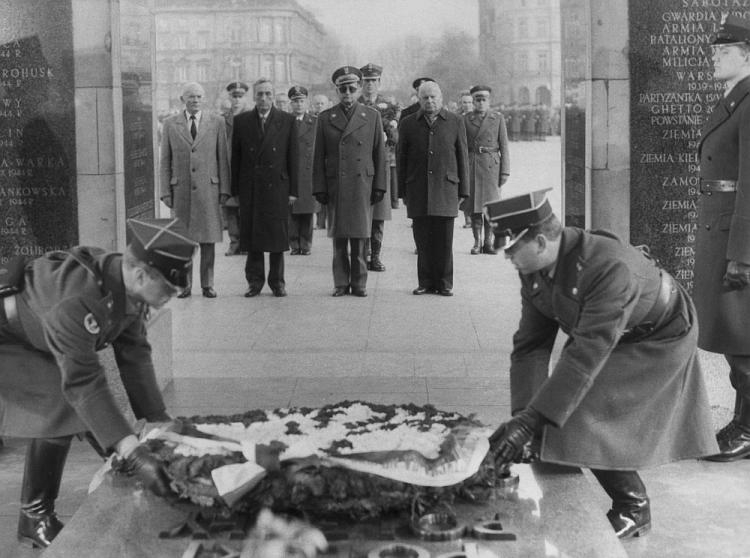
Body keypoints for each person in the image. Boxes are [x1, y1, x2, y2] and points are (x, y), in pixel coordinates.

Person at [487, 190, 718, 539]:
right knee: (552, 408)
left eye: (511, 249)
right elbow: (530, 347)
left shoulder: (608, 266)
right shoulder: (534, 267)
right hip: (614, 334)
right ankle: (551, 450)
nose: (508, 258)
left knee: (582, 409)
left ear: (538, 241)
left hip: (660, 336)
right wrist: (524, 419)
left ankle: (633, 507)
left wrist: (534, 419)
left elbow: (585, 354)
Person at [0, 218, 197, 548]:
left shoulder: (123, 286)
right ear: (140, 274)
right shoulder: (76, 301)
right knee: (60, 402)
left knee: (77, 411)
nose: (169, 297)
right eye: (167, 289)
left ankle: (126, 479)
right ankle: (35, 516)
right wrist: (131, 450)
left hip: (32, 336)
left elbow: (134, 354)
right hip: (7, 335)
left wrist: (158, 426)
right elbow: (82, 382)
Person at [694, 15, 750, 461]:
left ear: (747, 55)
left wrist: (742, 255)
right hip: (720, 225)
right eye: (715, 50)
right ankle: (743, 422)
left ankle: (747, 429)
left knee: (740, 333)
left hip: (735, 234)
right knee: (733, 333)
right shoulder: (735, 99)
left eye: (724, 51)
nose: (715, 56)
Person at [312, 66, 387, 297]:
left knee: (360, 237)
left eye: (351, 88)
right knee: (339, 238)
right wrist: (320, 188)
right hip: (337, 185)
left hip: (362, 185)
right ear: (336, 90)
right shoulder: (326, 118)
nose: (347, 92)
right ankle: (341, 283)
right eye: (342, 88)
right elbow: (318, 157)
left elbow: (379, 154)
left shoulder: (372, 116)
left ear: (359, 89)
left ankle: (360, 283)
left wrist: (380, 186)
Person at [397, 80, 469, 297]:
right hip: (418, 188)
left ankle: (444, 282)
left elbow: (462, 157)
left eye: (433, 97)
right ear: (419, 100)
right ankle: (425, 281)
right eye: (425, 97)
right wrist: (402, 191)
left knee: (444, 240)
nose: (429, 101)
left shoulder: (455, 121)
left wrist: (463, 191)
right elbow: (402, 159)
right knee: (422, 238)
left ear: (442, 98)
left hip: (447, 189)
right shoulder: (408, 123)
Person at [159, 82, 230, 298]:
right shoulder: (171, 124)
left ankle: (207, 284)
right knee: (183, 241)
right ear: (183, 99)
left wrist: (224, 189)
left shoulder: (216, 122)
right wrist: (165, 191)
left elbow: (222, 158)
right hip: (181, 191)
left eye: (199, 96)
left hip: (209, 190)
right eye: (191, 96)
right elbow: (165, 161)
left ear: (204, 99)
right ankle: (185, 285)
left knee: (208, 239)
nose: (195, 100)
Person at [232, 78, 298, 298]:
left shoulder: (287, 120)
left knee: (277, 238)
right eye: (260, 94)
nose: (264, 98)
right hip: (251, 187)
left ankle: (277, 282)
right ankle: (255, 281)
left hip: (277, 186)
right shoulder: (241, 121)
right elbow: (237, 158)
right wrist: (235, 191)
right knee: (253, 237)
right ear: (254, 96)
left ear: (273, 96)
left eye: (268, 94)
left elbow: (293, 157)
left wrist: (293, 190)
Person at [359, 63, 398, 271]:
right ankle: (361, 254)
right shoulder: (355, 104)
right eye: (366, 81)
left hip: (382, 164)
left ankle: (375, 255)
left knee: (379, 212)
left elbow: (395, 139)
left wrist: (389, 133)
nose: (370, 85)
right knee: (361, 211)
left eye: (373, 81)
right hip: (361, 165)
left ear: (379, 83)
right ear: (361, 83)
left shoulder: (389, 106)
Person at [463, 85, 510, 255]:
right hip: (473, 164)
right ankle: (477, 242)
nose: (481, 103)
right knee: (475, 206)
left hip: (492, 167)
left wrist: (505, 171)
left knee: (491, 207)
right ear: (473, 101)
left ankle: (488, 243)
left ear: (489, 101)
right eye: (478, 100)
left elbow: (504, 145)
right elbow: (462, 146)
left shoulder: (497, 118)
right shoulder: (465, 119)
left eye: (484, 100)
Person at [288, 85, 317, 256]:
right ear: (291, 104)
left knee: (307, 210)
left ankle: (305, 244)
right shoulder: (285, 122)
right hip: (291, 171)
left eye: (301, 101)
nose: (298, 104)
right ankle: (294, 244)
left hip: (308, 172)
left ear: (306, 102)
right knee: (291, 211)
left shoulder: (314, 122)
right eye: (295, 101)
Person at [222, 81, 249, 256]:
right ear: (229, 98)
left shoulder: (252, 118)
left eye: (240, 96)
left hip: (247, 171)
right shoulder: (223, 120)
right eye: (234, 96)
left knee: (246, 209)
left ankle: (246, 243)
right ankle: (234, 242)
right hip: (229, 170)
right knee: (230, 209)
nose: (237, 100)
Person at [310, 94, 331, 229]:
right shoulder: (311, 120)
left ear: (328, 104)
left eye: (322, 103)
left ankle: (329, 221)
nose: (319, 106)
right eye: (317, 103)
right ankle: (320, 222)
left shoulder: (331, 119)